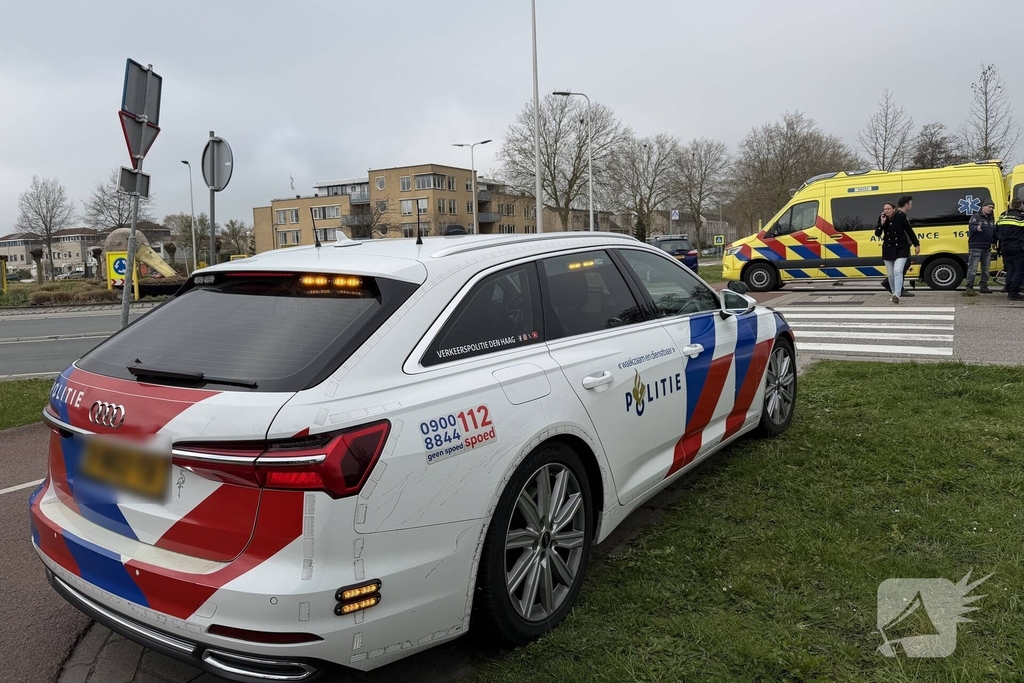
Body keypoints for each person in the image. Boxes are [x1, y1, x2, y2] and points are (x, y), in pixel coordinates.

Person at [875, 197, 921, 303]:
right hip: (888, 249)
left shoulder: (901, 217)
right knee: (890, 274)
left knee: (898, 270)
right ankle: (894, 292)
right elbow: (877, 233)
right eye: (885, 209)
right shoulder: (882, 218)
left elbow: (909, 231)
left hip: (901, 248)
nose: (886, 211)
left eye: (888, 209)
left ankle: (897, 293)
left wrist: (916, 244)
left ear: (894, 209)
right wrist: (881, 224)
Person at [965, 199, 998, 293]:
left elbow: (993, 231)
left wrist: (994, 242)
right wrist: (976, 228)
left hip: (987, 247)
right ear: (983, 207)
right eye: (989, 207)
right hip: (976, 246)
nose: (991, 209)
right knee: (973, 267)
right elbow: (971, 227)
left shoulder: (991, 219)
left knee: (986, 268)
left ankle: (983, 286)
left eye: (992, 208)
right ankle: (969, 287)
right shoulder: (975, 217)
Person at [996, 197, 1024, 300]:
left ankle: (1008, 289)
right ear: (1021, 205)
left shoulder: (1004, 216)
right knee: (1019, 269)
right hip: (1017, 247)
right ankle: (1014, 293)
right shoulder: (1021, 217)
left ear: (1011, 205)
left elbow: (996, 230)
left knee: (1010, 269)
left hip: (1005, 246)